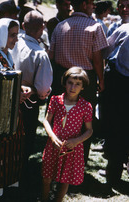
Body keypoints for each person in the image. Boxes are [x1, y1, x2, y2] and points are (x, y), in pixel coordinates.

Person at [48, 0, 108, 163]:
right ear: (83, 4)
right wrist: (101, 79)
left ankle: (57, 161)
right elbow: (97, 59)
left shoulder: (60, 26)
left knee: (60, 119)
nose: (93, 6)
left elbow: (51, 56)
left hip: (63, 79)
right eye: (91, 3)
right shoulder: (95, 27)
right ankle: (77, 164)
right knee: (84, 123)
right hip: (84, 81)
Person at [11, 10, 53, 199]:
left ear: (22, 26)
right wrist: (36, 91)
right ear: (42, 27)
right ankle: (19, 179)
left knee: (8, 138)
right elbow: (43, 88)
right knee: (25, 141)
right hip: (28, 104)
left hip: (8, 100)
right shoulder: (40, 54)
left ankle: (6, 177)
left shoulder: (13, 43)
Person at [0, 18, 25, 200]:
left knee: (8, 153)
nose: (16, 39)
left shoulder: (7, 54)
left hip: (10, 115)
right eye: (12, 35)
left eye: (17, 34)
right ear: (1, 34)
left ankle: (4, 189)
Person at [42, 67, 93, 202]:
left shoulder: (86, 106)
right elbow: (46, 121)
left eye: (77, 84)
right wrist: (52, 137)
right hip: (54, 145)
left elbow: (89, 130)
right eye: (70, 82)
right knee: (47, 177)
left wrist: (77, 141)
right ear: (65, 83)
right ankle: (44, 198)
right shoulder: (55, 100)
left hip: (71, 148)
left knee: (65, 179)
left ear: (83, 87)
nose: (73, 87)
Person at [101, 23, 129, 188]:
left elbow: (106, 50)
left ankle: (113, 175)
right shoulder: (125, 28)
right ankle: (114, 174)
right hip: (119, 83)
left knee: (116, 128)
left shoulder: (125, 29)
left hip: (119, 82)